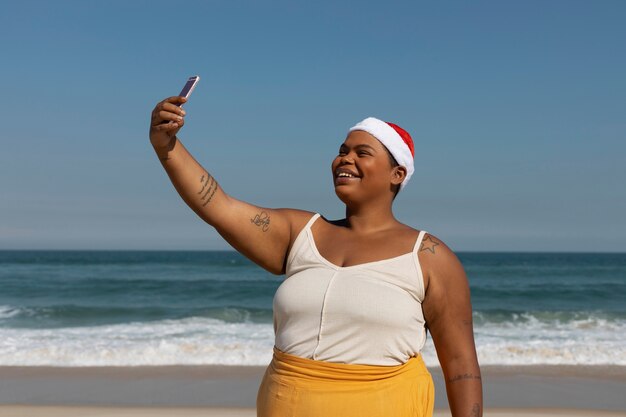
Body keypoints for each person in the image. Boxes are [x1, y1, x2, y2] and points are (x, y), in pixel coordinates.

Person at [149, 95, 483, 417]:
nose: (345, 159)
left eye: (362, 152)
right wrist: (166, 147)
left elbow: (460, 366)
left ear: (397, 174)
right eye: (342, 151)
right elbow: (219, 206)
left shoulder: (429, 256)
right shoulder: (301, 232)